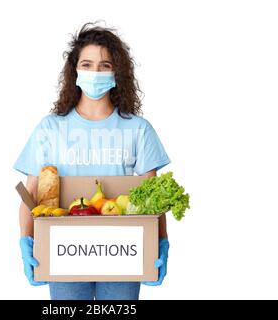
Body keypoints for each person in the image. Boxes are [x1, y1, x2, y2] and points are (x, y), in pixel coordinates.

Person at [13, 22, 170, 300]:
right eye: (87, 64)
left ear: (116, 72)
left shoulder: (138, 129)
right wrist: (27, 240)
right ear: (74, 70)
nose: (95, 73)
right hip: (63, 248)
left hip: (123, 250)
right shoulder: (50, 128)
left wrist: (160, 243)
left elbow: (153, 197)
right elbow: (32, 193)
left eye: (104, 65)